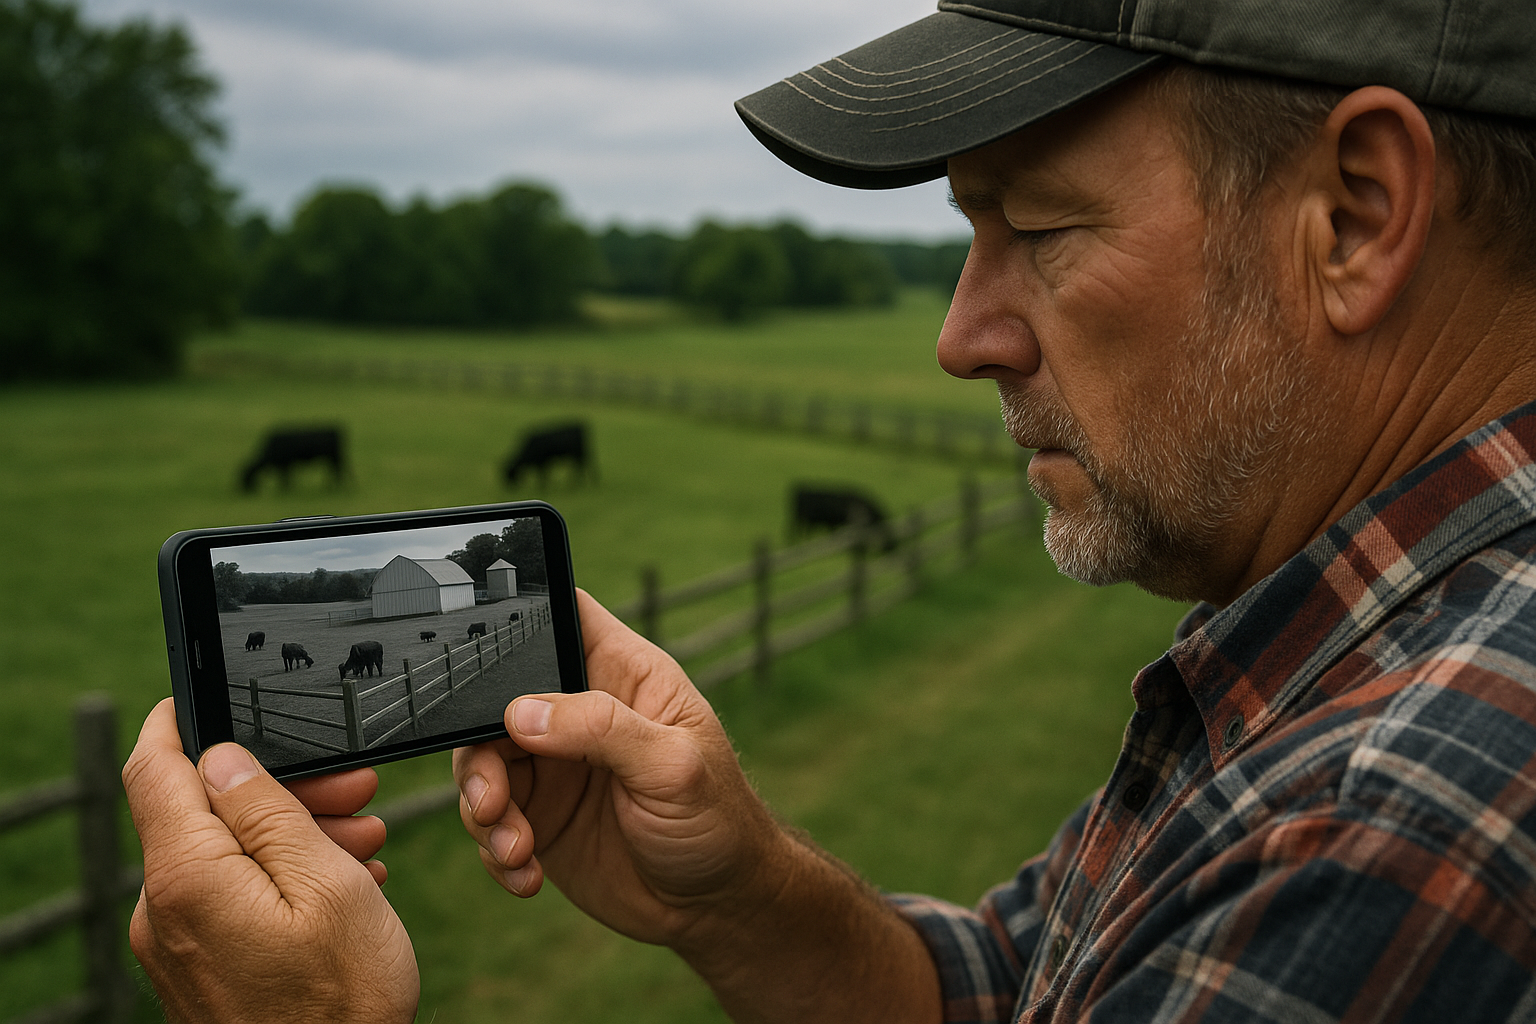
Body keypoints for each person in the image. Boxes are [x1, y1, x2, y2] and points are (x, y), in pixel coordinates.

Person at [123, 0, 1536, 1020]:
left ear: (1353, 213)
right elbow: (1019, 992)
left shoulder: (1393, 819)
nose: (963, 333)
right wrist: (737, 895)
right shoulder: (1335, 645)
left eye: (1039, 230)